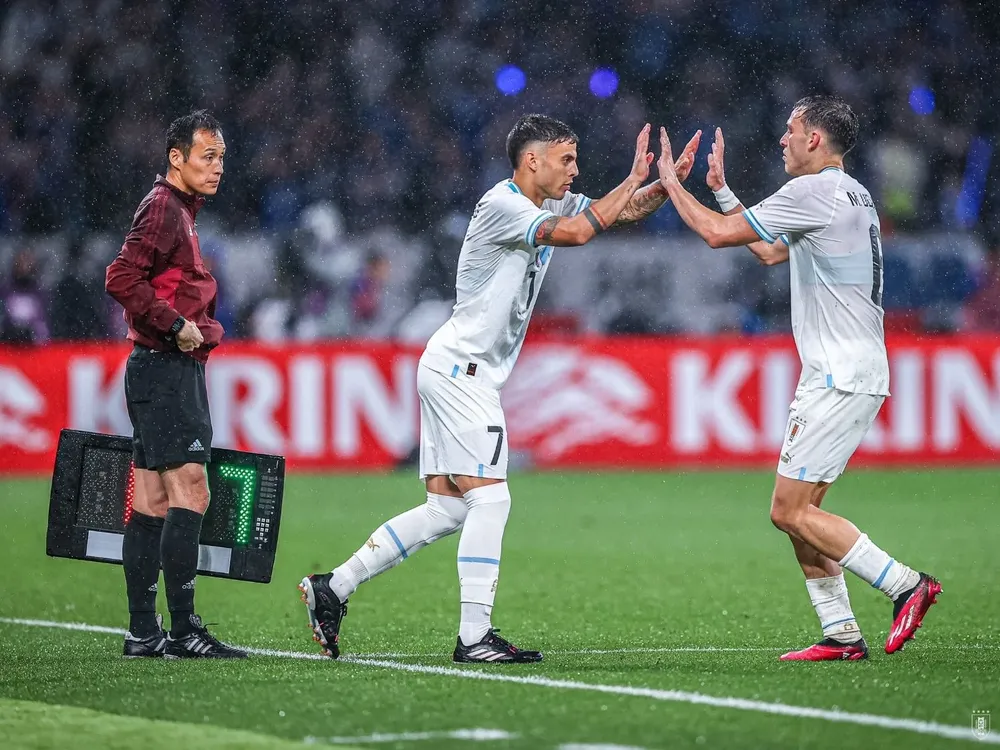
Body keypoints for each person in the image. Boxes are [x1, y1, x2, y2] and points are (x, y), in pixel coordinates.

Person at [299, 114, 701, 663]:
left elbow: (619, 213)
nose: (575, 171)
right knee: (491, 499)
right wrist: (632, 176)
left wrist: (664, 186)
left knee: (446, 511)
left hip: (454, 367)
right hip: (462, 372)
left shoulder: (547, 204)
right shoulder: (503, 206)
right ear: (531, 160)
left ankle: (334, 587)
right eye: (567, 160)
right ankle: (474, 637)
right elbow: (585, 231)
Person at [656, 95, 941, 660]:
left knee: (789, 511)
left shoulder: (814, 191)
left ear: (815, 139)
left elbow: (717, 235)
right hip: (847, 369)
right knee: (802, 516)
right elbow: (767, 251)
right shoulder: (850, 194)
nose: (782, 140)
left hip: (839, 375)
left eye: (791, 130)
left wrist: (670, 182)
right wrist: (721, 188)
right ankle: (840, 635)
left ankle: (907, 584)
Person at [105, 110, 246, 659]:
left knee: (153, 501)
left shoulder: (176, 209)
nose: (217, 168)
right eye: (207, 157)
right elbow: (120, 276)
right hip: (165, 367)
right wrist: (176, 324)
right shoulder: (165, 208)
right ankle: (184, 630)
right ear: (176, 157)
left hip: (154, 367)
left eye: (221, 158)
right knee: (192, 491)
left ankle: (145, 631)